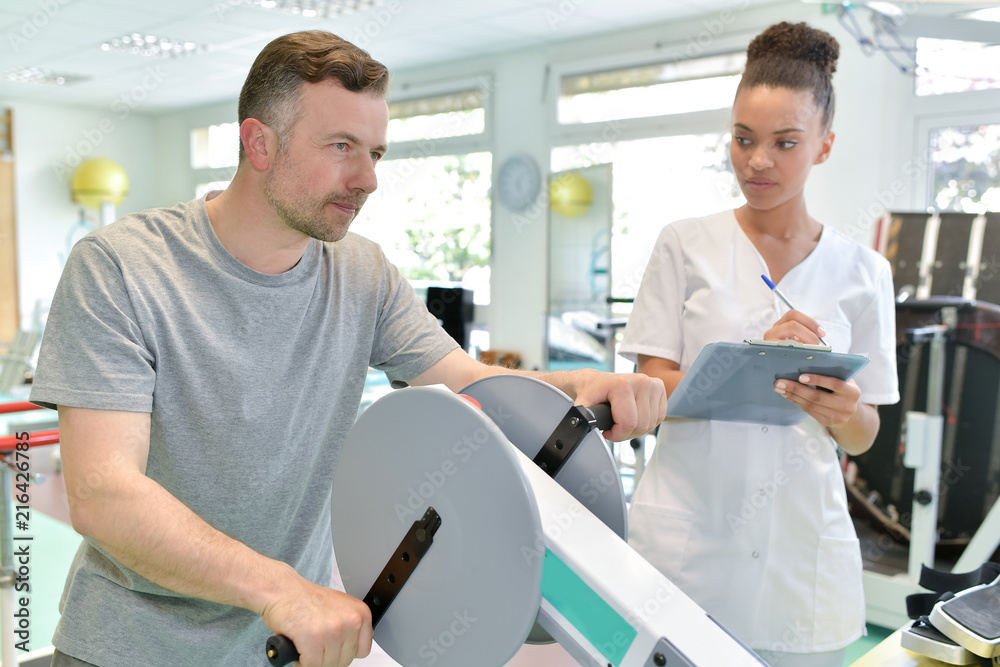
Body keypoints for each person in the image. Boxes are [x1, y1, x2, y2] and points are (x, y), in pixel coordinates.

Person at [31, 30, 667, 667]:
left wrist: (576, 387)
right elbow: (101, 491)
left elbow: (468, 386)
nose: (367, 178)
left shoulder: (362, 272)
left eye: (375, 153)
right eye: (341, 147)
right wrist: (283, 590)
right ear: (259, 142)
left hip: (296, 647)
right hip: (133, 650)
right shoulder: (119, 267)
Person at [619, 21, 899, 667]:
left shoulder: (863, 271)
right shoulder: (684, 243)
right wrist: (753, 357)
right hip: (691, 539)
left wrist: (841, 409)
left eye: (785, 142)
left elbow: (865, 431)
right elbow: (648, 393)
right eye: (743, 139)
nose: (758, 161)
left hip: (800, 554)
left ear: (824, 146)